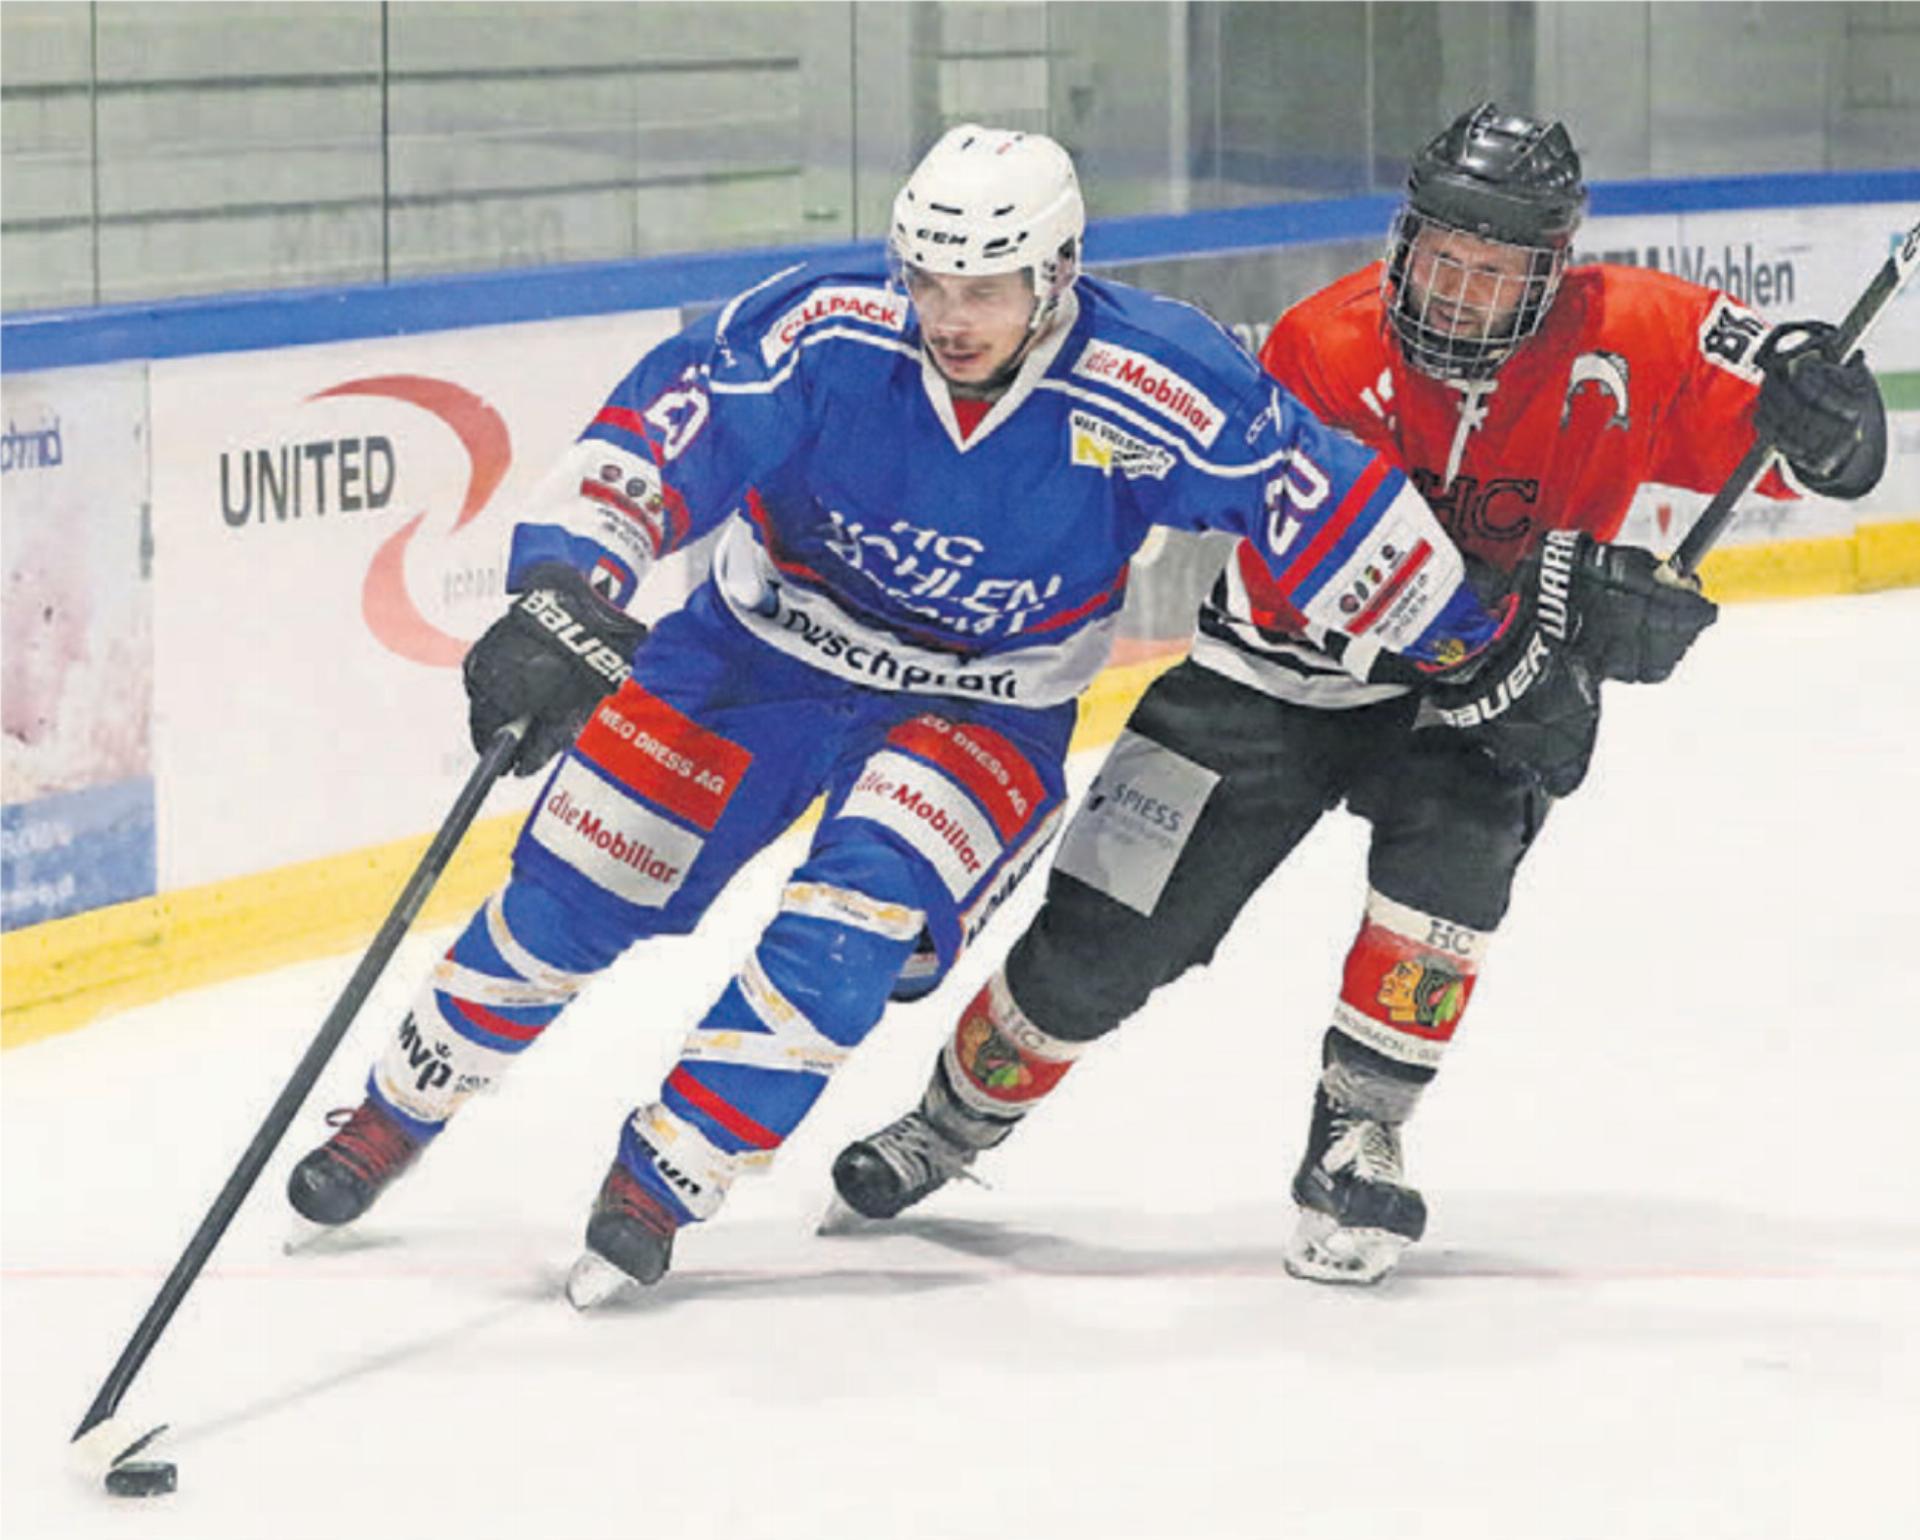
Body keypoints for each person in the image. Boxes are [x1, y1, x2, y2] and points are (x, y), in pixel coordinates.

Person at [829, 103, 1887, 1285]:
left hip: (1485, 699)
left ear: (1552, 275)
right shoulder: (1320, 345)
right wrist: (1568, 587)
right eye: (1442, 260)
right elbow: (1336, 579)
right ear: (1403, 241)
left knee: (1450, 878)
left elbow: (1807, 427)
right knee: (1101, 933)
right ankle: (949, 1122)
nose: (1459, 295)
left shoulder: (1633, 330)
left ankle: (1357, 1137)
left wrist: (1833, 420)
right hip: (1271, 672)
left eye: (1495, 273)